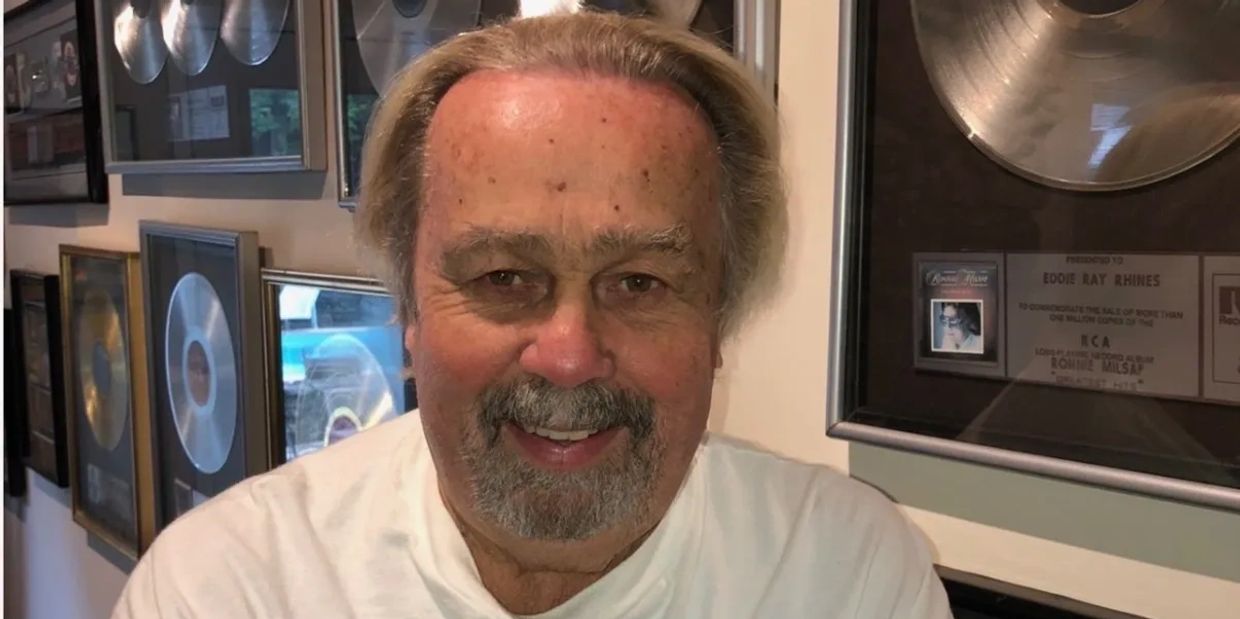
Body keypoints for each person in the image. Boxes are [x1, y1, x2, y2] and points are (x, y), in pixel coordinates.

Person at [113, 11, 951, 618]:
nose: (569, 355)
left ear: (718, 319)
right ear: (408, 309)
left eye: (639, 282)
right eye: (505, 275)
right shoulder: (232, 586)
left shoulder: (844, 575)